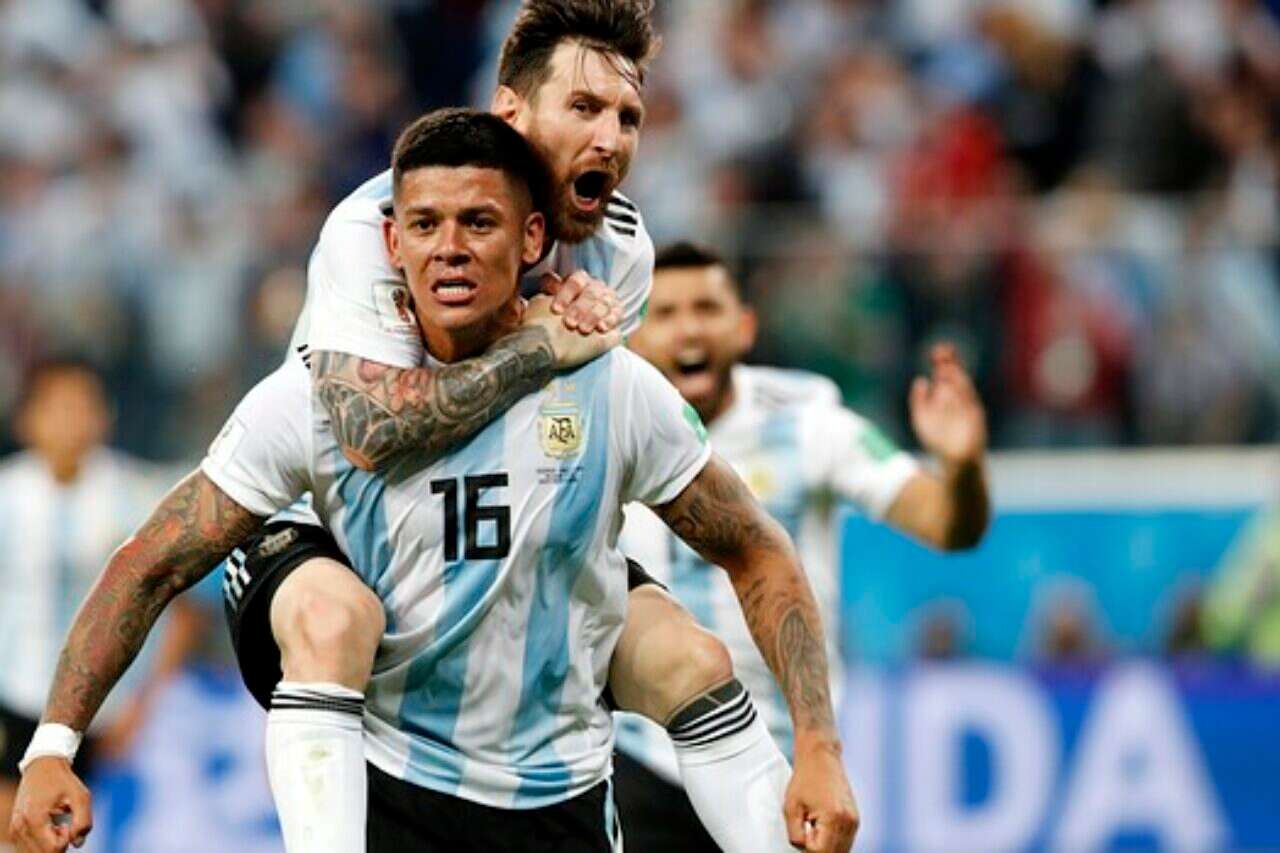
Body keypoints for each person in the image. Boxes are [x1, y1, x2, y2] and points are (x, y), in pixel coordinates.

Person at [11, 109, 858, 853]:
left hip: (551, 783)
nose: (449, 247)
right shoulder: (327, 396)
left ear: (533, 239)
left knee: (691, 656)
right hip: (390, 769)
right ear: (392, 242)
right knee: (329, 613)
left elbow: (755, 547)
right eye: (425, 223)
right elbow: (150, 563)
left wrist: (817, 746)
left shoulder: (610, 386)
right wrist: (54, 745)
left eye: (479, 221)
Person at [221, 1, 797, 849]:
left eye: (627, 117)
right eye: (584, 108)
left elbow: (572, 423)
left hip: (481, 521)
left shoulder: (620, 253)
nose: (608, 139)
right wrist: (535, 346)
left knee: (692, 658)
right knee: (332, 621)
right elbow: (369, 436)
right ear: (511, 112)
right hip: (337, 522)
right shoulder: (370, 227)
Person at [614, 243, 992, 850]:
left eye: (706, 308)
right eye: (666, 313)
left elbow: (950, 525)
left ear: (744, 326)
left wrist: (963, 467)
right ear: (633, 336)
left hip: (784, 762)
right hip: (642, 758)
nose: (689, 329)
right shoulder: (609, 419)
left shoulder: (807, 422)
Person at [0, 358, 206, 852]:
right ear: (27, 418)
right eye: (56, 407)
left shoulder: (136, 497)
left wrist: (143, 704)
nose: (69, 421)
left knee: (85, 833)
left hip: (104, 707)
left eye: (81, 406)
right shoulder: (7, 496)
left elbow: (184, 609)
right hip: (15, 693)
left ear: (103, 415)